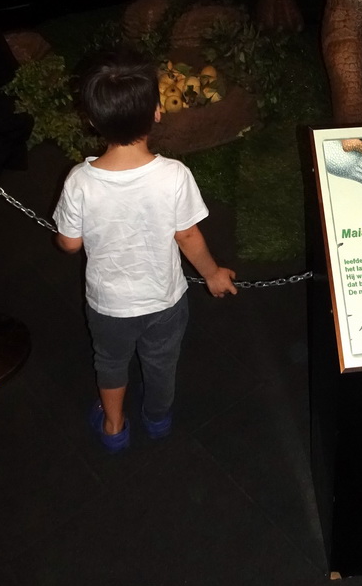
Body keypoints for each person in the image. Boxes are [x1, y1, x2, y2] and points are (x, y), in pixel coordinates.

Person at [52, 48, 237, 453]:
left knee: (110, 361)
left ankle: (115, 425)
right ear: (156, 110)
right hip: (165, 300)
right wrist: (213, 274)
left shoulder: (79, 181)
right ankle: (157, 418)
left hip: (108, 305)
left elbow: (69, 243)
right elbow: (188, 236)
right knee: (161, 362)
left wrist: (69, 232)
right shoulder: (173, 176)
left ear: (90, 119)